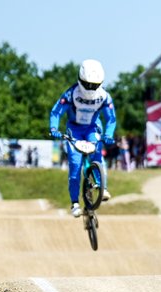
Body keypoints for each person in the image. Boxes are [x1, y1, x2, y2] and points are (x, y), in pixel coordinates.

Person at [50, 59, 117, 217]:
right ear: (80, 80)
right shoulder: (70, 94)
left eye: (95, 85)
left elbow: (111, 119)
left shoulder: (104, 97)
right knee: (75, 164)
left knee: (97, 154)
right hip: (74, 129)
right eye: (88, 84)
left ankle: (103, 187)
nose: (91, 88)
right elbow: (56, 112)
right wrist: (54, 128)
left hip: (92, 128)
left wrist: (108, 134)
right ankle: (74, 203)